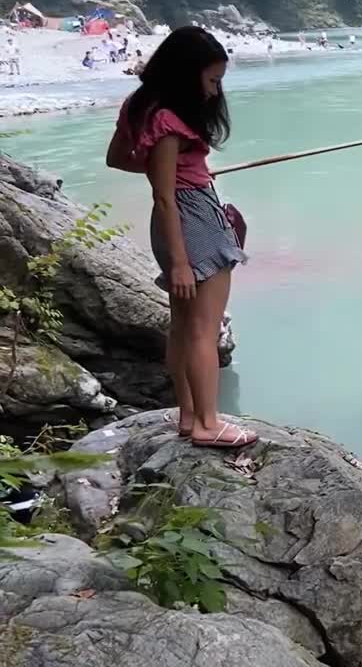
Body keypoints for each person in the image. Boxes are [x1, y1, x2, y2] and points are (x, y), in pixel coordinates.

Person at [105, 26, 256, 449]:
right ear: (186, 74)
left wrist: (179, 172)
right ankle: (208, 424)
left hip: (172, 219)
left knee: (184, 325)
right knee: (204, 330)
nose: (214, 91)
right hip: (191, 220)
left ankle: (190, 417)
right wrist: (179, 261)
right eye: (211, 80)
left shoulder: (140, 106)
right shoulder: (171, 121)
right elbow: (165, 196)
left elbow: (117, 159)